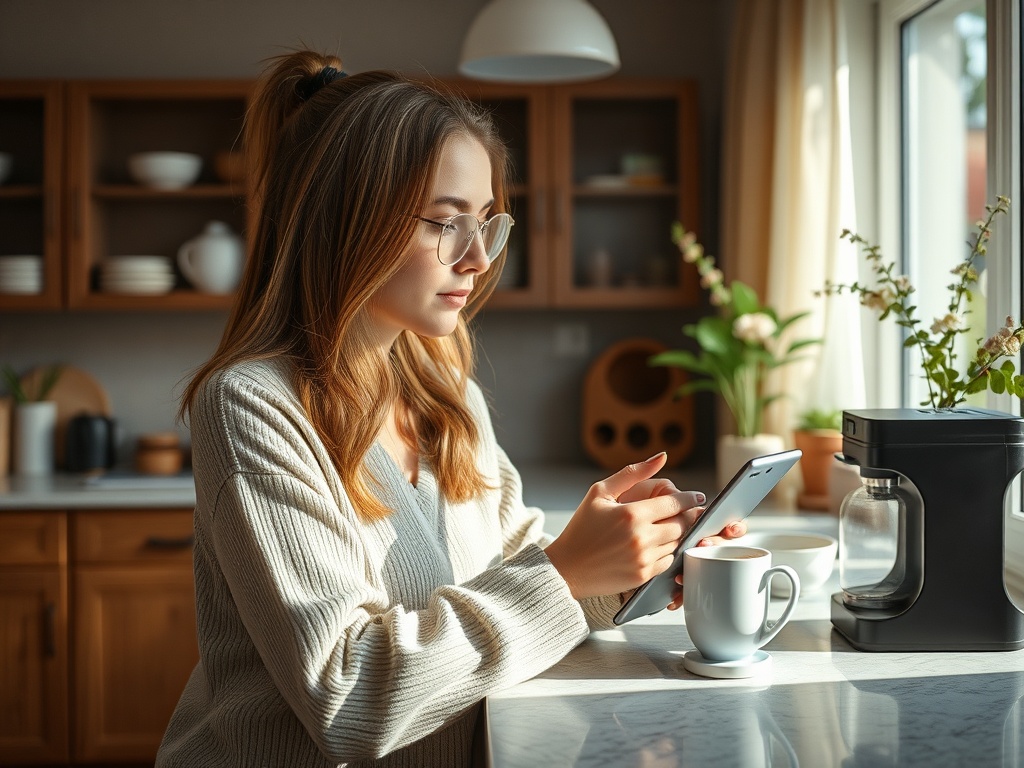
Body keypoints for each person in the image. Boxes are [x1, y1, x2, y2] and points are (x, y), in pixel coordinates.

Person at [155, 50, 745, 768]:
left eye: (488, 224)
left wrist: (633, 564)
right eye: (445, 222)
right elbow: (348, 699)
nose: (477, 258)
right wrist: (563, 572)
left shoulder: (448, 396)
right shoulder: (253, 404)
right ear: (348, 217)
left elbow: (522, 587)